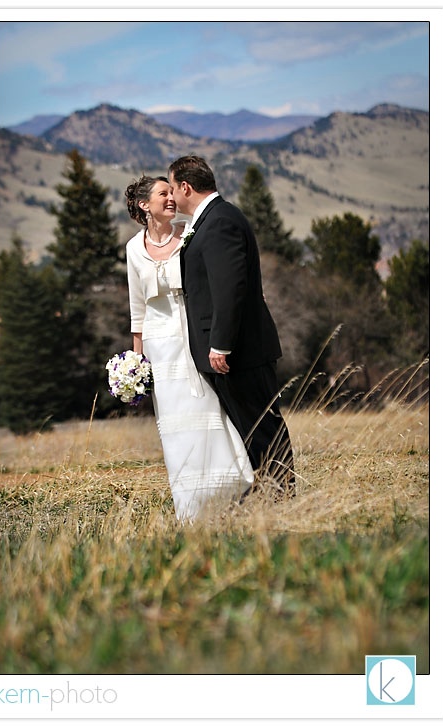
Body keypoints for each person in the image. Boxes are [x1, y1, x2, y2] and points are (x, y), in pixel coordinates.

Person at [125, 175, 254, 522]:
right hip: (158, 345)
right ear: (143, 204)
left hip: (192, 335)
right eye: (163, 194)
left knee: (208, 411)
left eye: (172, 192)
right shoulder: (133, 249)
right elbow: (138, 307)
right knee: (175, 425)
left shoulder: (190, 234)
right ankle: (191, 507)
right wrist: (135, 361)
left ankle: (230, 488)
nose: (171, 198)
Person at [168, 155, 295, 493]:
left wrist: (220, 343)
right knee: (249, 427)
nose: (171, 197)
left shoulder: (219, 221)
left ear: (186, 186)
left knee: (261, 426)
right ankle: (269, 493)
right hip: (235, 349)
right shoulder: (214, 217)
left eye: (173, 188)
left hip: (239, 350)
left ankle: (281, 495)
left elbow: (229, 288)